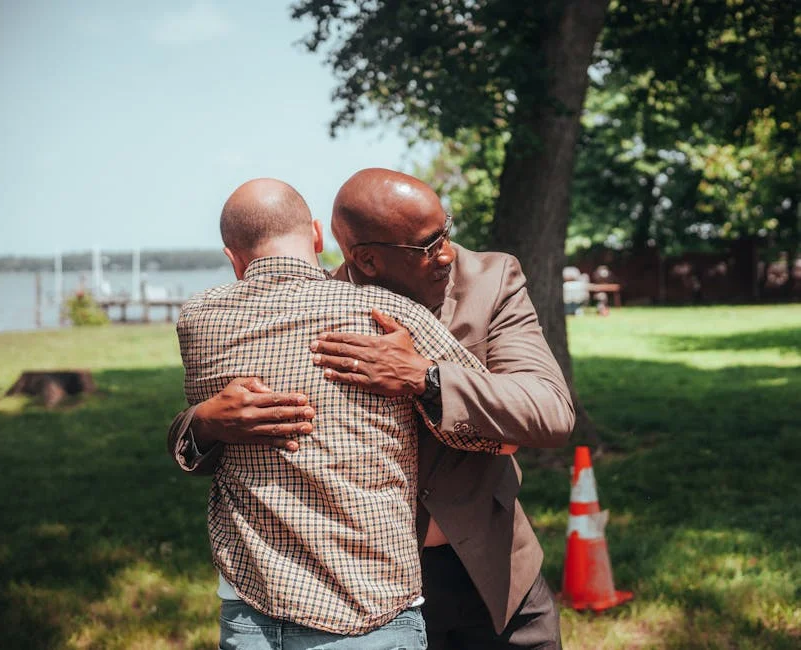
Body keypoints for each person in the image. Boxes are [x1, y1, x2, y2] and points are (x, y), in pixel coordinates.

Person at [169, 169, 575, 649]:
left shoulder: (492, 280)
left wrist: (425, 378)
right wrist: (205, 424)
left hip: (489, 572)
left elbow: (549, 409)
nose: (447, 251)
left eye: (447, 230)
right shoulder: (317, 309)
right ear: (365, 259)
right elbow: (237, 434)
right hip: (359, 592)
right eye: (427, 245)